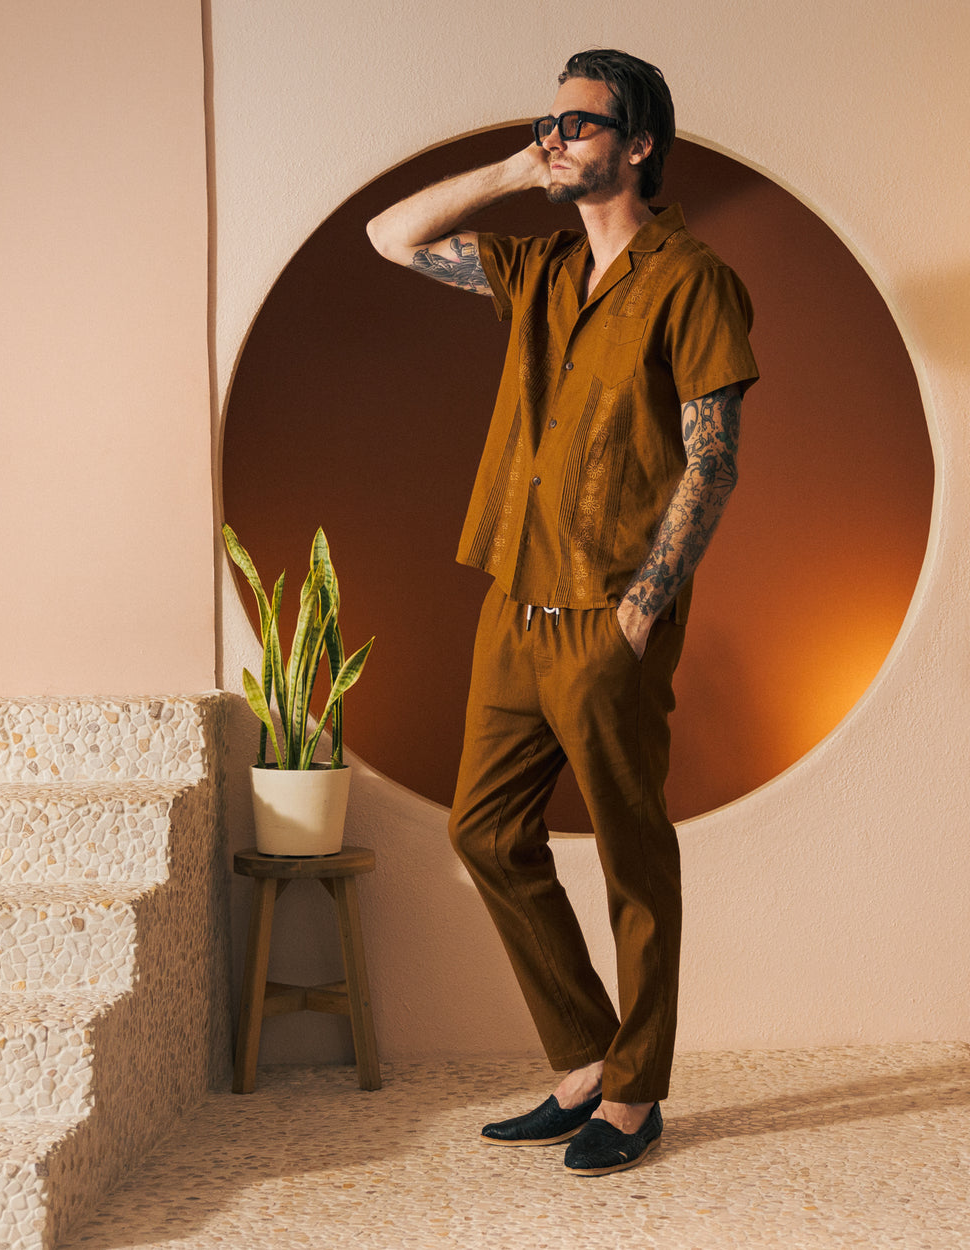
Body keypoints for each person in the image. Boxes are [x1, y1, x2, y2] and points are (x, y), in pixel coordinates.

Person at [367, 49, 758, 1176]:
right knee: (483, 829)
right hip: (514, 598)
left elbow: (712, 461)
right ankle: (585, 1058)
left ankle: (635, 1095)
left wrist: (642, 608)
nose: (559, 136)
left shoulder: (694, 280)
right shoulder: (534, 269)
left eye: (581, 124)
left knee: (634, 856)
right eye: (552, 119)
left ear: (638, 143)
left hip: (606, 615)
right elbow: (388, 238)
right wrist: (507, 164)